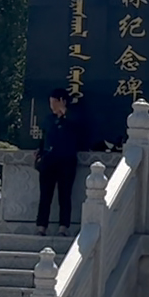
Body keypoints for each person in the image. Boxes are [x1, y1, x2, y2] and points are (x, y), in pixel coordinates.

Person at [36, 89, 87, 236]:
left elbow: (80, 132)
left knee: (64, 195)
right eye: (50, 102)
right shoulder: (49, 119)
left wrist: (66, 114)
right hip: (49, 160)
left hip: (66, 161)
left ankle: (63, 226)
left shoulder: (74, 119)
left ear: (62, 101)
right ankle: (41, 226)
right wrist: (39, 152)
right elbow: (44, 138)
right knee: (45, 195)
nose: (52, 106)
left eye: (54, 102)